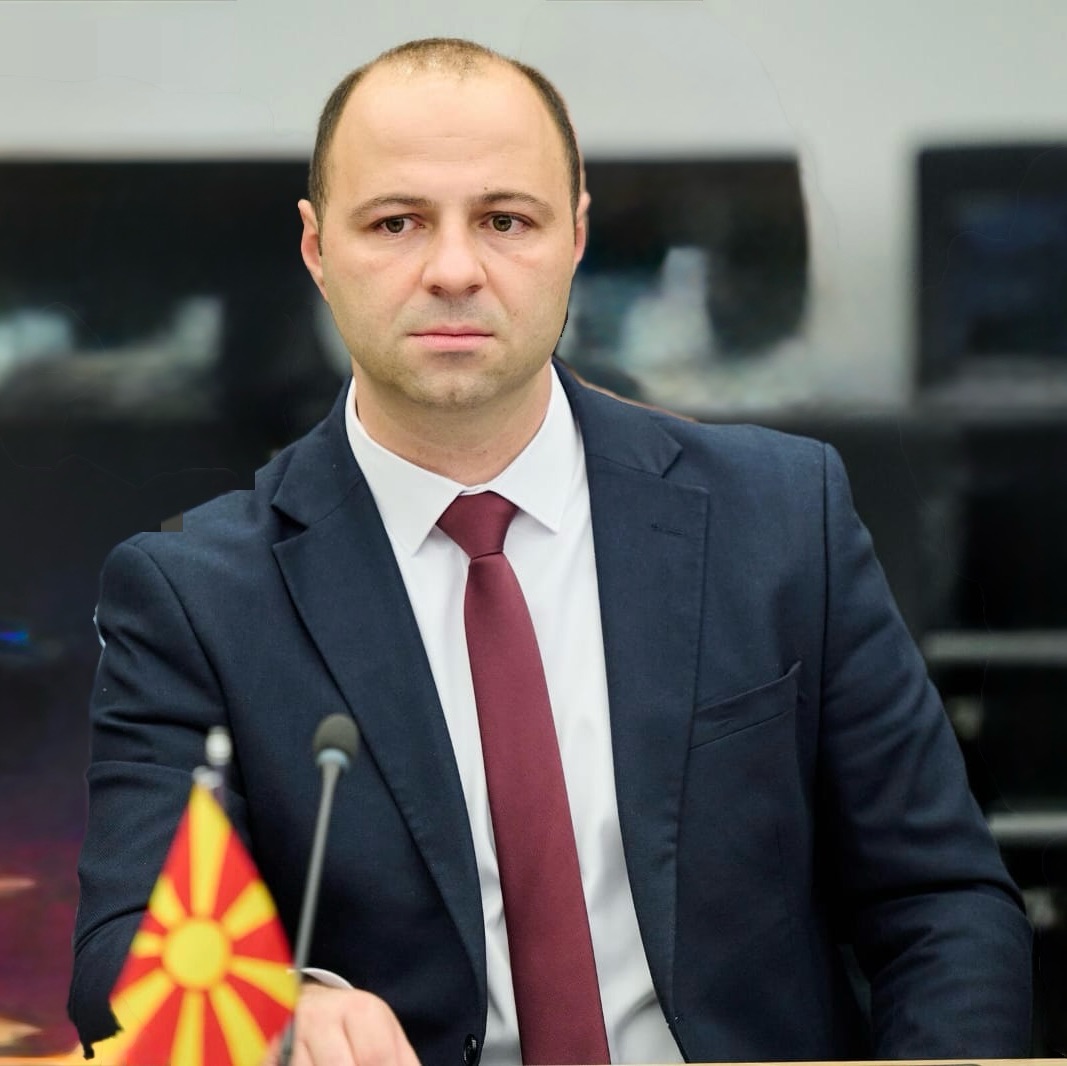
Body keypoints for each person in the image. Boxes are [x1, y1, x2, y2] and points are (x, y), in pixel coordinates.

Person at [69, 37, 1032, 1066]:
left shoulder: (781, 518)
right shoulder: (195, 596)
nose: (452, 270)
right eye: (395, 222)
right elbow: (121, 962)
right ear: (316, 249)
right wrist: (279, 1012)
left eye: (504, 221)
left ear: (574, 233)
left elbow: (939, 903)